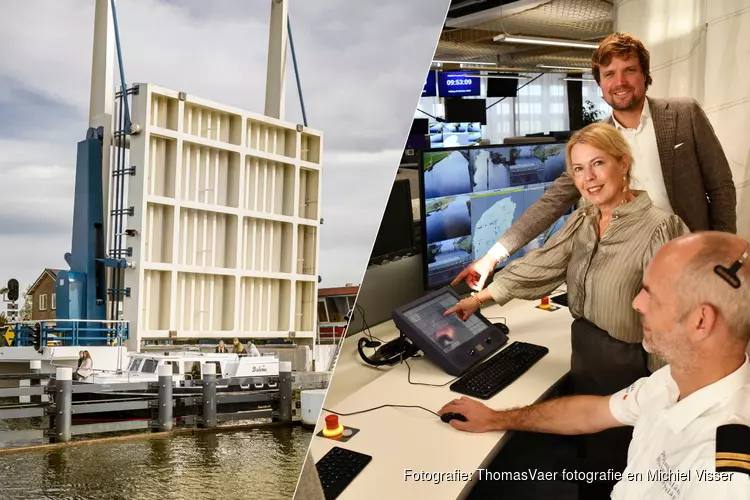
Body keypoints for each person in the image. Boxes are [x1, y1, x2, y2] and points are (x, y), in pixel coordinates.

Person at [442, 122, 687, 496]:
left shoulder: (658, 229)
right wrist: (480, 298)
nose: (588, 178)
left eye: (598, 164)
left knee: (617, 469)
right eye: (578, 169)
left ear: (624, 164)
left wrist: (664, 403)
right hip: (586, 357)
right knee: (591, 463)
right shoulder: (585, 219)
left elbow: (670, 322)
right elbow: (545, 262)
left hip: (630, 369)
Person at [439, 231, 750, 499]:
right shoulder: (674, 379)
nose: (636, 303)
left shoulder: (724, 477)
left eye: (652, 296)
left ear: (700, 321)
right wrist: (495, 418)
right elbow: (593, 411)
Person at [453, 32, 736, 294]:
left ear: (645, 75)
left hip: (694, 259)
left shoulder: (684, 114)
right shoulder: (595, 142)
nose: (620, 82)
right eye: (609, 74)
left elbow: (721, 186)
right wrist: (492, 256)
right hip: (634, 270)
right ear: (600, 84)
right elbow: (552, 202)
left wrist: (723, 254)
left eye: (630, 70)